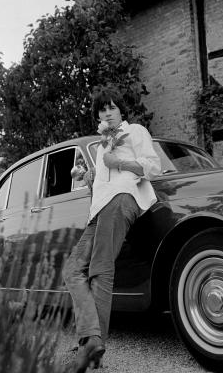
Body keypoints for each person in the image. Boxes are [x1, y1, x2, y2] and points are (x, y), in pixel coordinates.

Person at [62, 84, 161, 373]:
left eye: (112, 107)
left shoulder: (136, 132)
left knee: (100, 270)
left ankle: (90, 345)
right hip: (100, 208)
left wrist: (120, 162)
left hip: (122, 200)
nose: (107, 112)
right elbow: (102, 183)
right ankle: (92, 339)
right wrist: (89, 175)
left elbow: (153, 167)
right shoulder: (103, 144)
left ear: (121, 110)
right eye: (102, 109)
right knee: (72, 269)